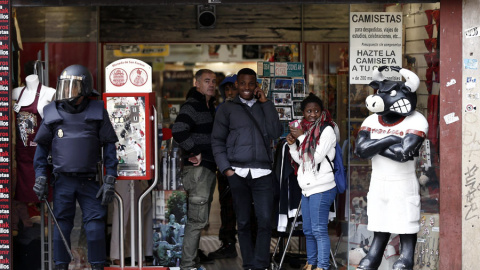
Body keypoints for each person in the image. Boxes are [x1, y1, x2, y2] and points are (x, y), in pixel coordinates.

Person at [32, 64, 119, 270]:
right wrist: (40, 176)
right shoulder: (52, 112)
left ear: (85, 88)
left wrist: (110, 178)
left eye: (73, 87)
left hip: (90, 180)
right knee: (61, 224)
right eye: (65, 86)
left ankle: (98, 266)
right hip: (63, 180)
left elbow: (109, 147)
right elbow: (42, 149)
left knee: (96, 227)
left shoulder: (97, 111)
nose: (67, 92)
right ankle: (61, 266)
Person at [211, 68, 282, 270]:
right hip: (238, 173)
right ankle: (249, 264)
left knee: (265, 220)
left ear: (257, 85)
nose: (247, 88)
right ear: (236, 86)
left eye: (251, 84)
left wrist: (266, 103)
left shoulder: (264, 106)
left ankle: (260, 263)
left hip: (263, 173)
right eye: (243, 84)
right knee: (242, 222)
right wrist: (226, 170)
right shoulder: (226, 109)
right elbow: (217, 141)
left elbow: (276, 132)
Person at [285, 93, 337, 270]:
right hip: (307, 188)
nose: (313, 114)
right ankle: (311, 263)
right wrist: (292, 145)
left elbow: (315, 156)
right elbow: (301, 161)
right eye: (309, 111)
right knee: (308, 230)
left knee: (319, 230)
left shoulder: (327, 130)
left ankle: (322, 266)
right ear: (303, 113)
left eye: (316, 110)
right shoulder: (306, 131)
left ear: (322, 111)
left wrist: (300, 138)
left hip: (322, 187)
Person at [172, 69, 217, 270]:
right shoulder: (192, 105)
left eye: (214, 81)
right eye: (207, 81)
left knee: (200, 219)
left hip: (207, 169)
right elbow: (179, 130)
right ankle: (188, 265)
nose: (211, 84)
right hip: (198, 170)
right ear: (197, 83)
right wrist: (195, 151)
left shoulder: (209, 106)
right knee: (197, 220)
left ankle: (193, 262)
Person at [12, 74, 56, 235]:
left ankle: (47, 223)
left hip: (40, 153)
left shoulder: (49, 93)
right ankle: (22, 226)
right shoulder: (15, 93)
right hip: (21, 156)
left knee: (44, 192)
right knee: (20, 193)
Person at [209, 74, 239, 260]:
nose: (229, 92)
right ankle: (228, 244)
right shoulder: (220, 108)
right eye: (226, 89)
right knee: (227, 207)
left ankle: (251, 246)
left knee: (249, 209)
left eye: (232, 88)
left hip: (245, 166)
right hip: (226, 165)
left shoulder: (250, 107)